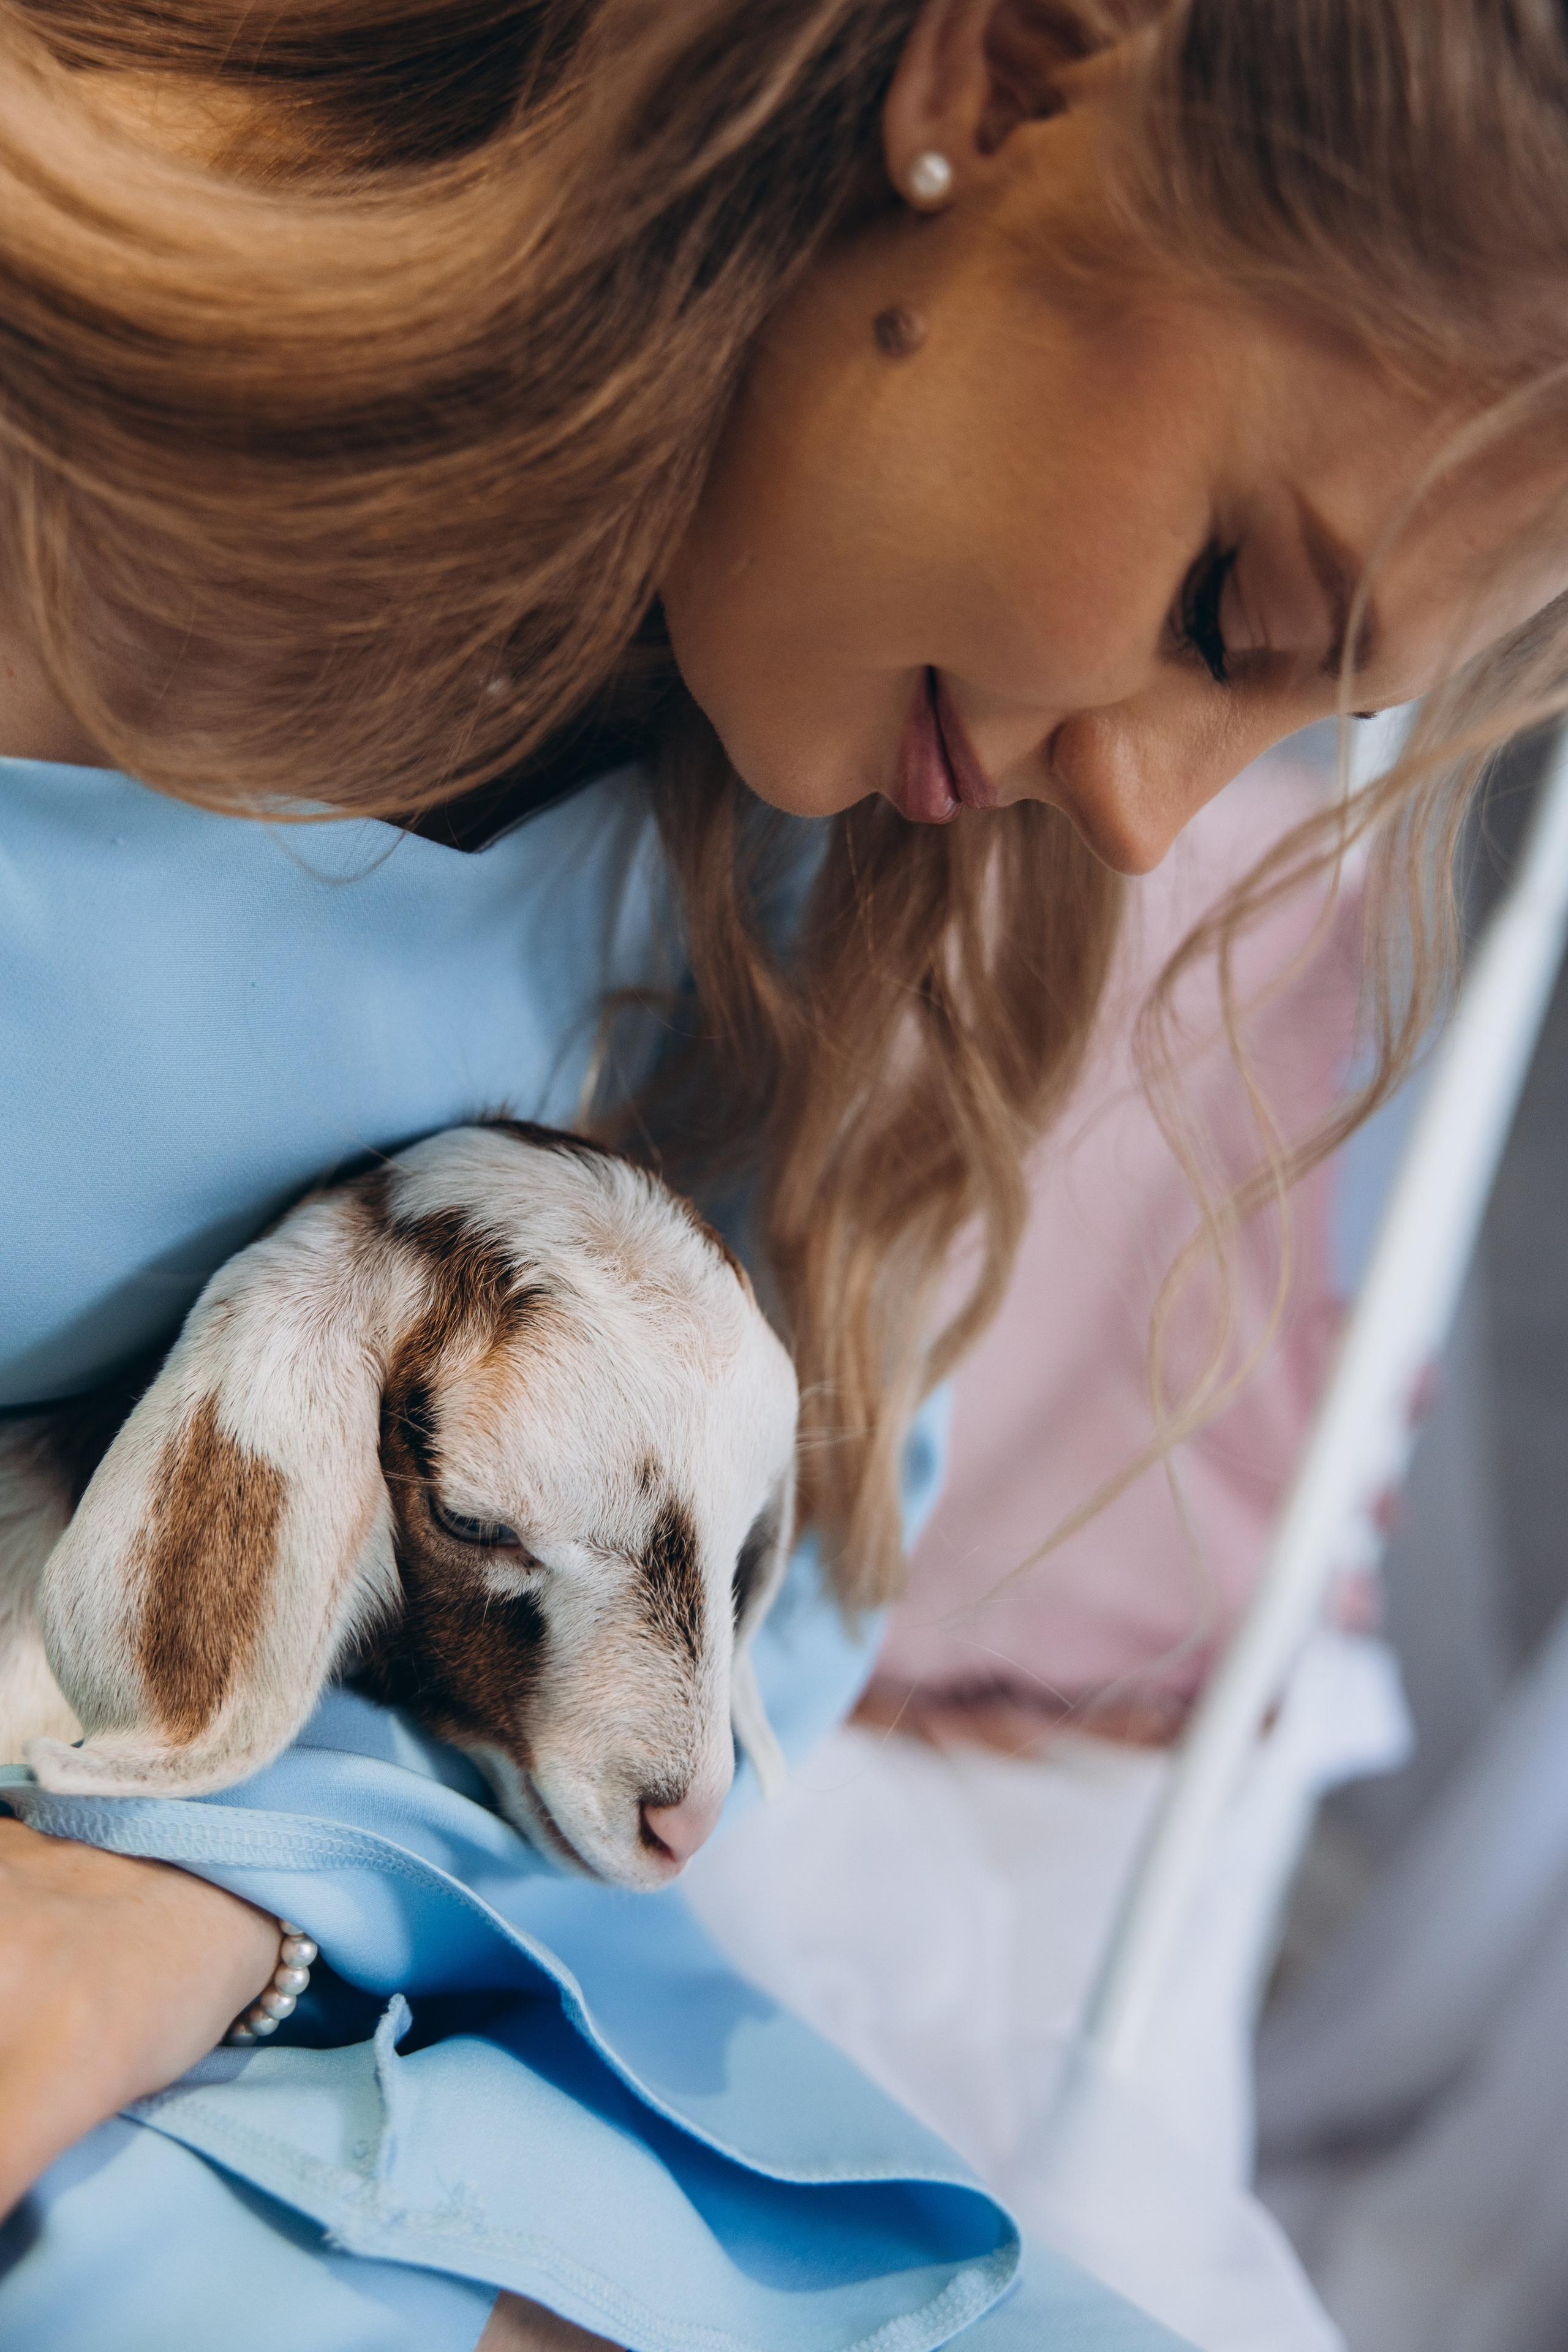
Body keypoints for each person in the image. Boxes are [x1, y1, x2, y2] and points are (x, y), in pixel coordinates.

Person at [2, 2, 1568, 2345]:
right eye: (1229, 610)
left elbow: (779, 1610)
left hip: (325, 1995)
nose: (1154, 819)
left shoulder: (827, 858)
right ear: (995, 90)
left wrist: (201, 1915)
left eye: (1292, 712)